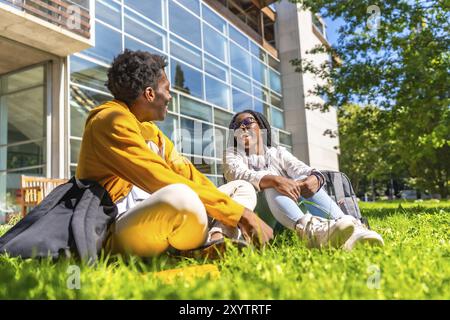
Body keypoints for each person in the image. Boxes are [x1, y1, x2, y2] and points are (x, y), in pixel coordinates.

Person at [75, 50, 273, 257]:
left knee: (241, 187)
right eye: (167, 89)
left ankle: (217, 239)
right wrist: (241, 216)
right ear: (150, 93)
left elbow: (191, 176)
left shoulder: (154, 135)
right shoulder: (110, 120)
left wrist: (239, 212)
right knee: (182, 197)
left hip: (164, 217)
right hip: (116, 227)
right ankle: (192, 248)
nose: (170, 96)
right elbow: (159, 179)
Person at [223, 110, 384, 250]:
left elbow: (302, 169)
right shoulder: (232, 154)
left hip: (288, 215)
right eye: (236, 126)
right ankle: (310, 231)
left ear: (261, 126)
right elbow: (236, 174)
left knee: (304, 179)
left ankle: (351, 231)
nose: (242, 127)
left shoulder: (277, 152)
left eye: (247, 122)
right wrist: (274, 180)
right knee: (273, 184)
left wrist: (313, 178)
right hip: (261, 219)